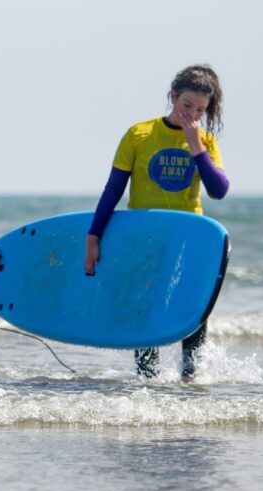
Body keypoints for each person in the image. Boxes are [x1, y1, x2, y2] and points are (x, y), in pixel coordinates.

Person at [83, 64, 229, 379]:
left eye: (200, 109)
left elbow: (219, 191)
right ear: (173, 96)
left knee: (194, 309)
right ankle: (147, 383)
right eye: (186, 104)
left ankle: (191, 380)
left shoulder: (204, 143)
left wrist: (196, 149)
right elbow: (113, 190)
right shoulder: (139, 135)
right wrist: (94, 237)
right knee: (145, 307)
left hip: (189, 238)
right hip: (145, 237)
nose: (192, 113)